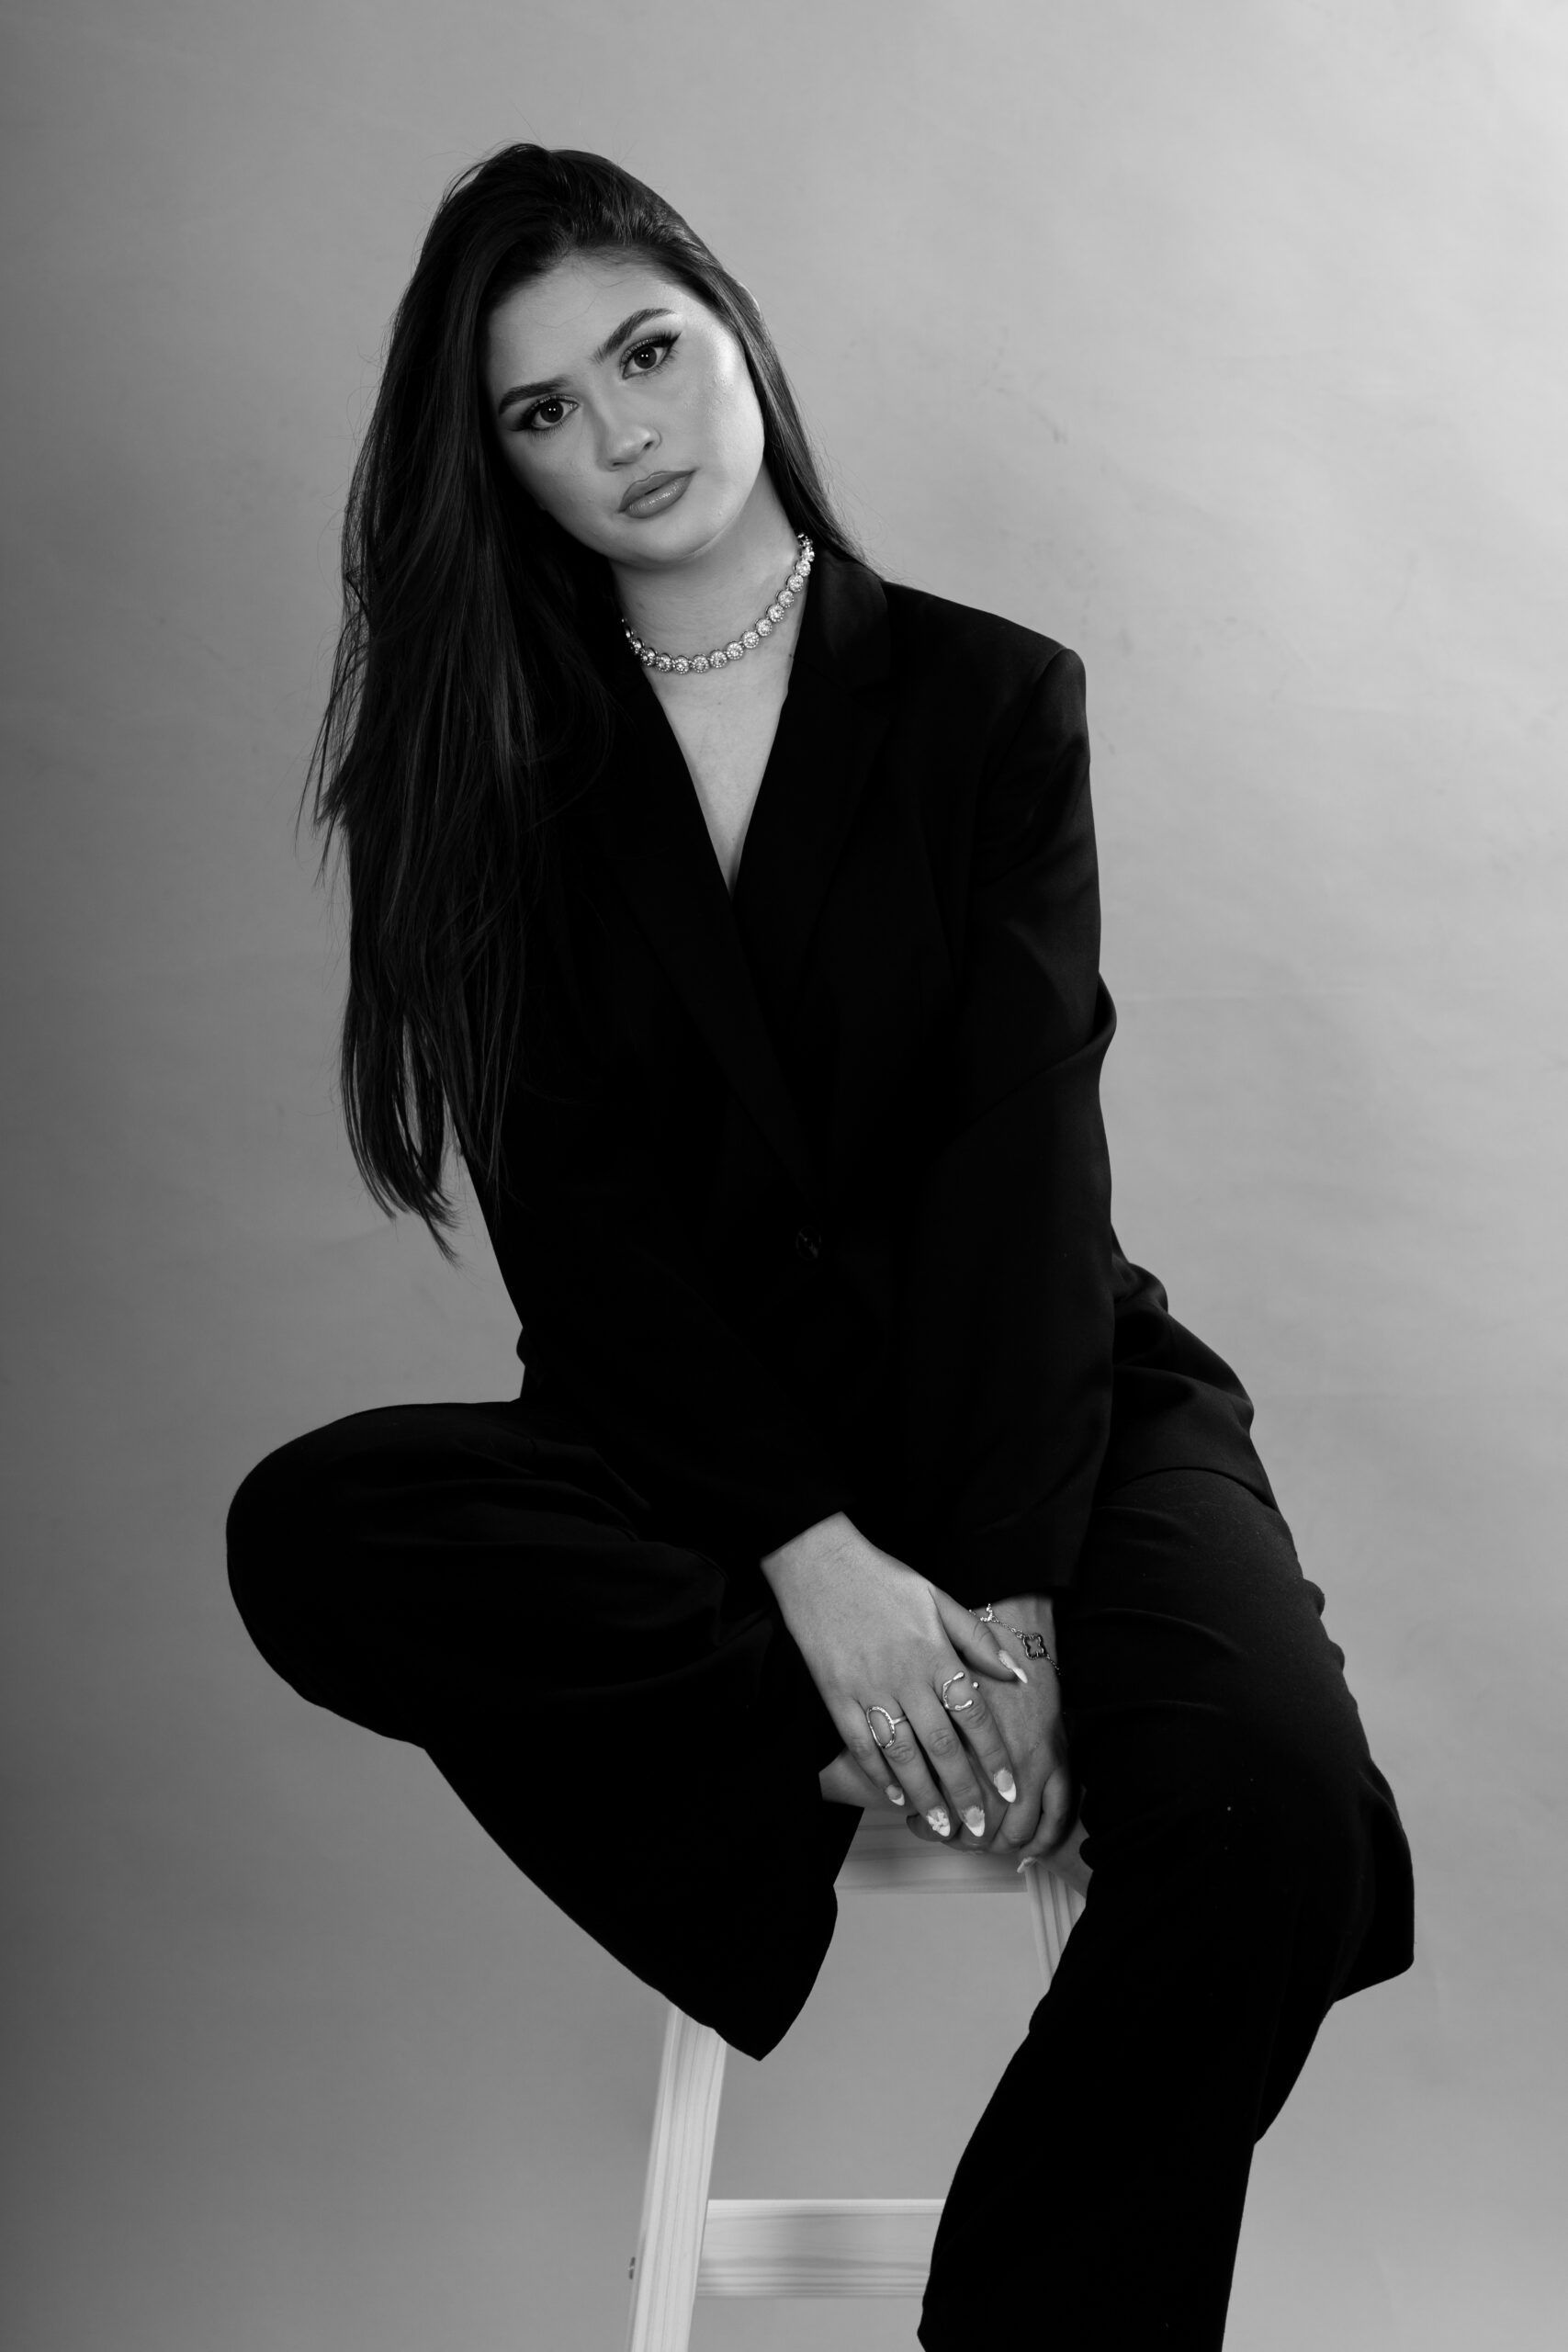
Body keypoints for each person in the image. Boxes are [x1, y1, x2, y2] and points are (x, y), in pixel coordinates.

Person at [225, 142, 1415, 2348]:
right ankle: (858, 1714)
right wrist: (811, 1559)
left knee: (1278, 1811)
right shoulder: (486, 766)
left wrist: (1009, 1590)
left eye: (644, 353)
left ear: (732, 329)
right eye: (543, 412)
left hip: (1035, 1398)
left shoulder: (986, 700)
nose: (622, 435)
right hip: (692, 1448)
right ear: (499, 465)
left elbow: (1021, 1168)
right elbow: (579, 1237)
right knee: (309, 1530)